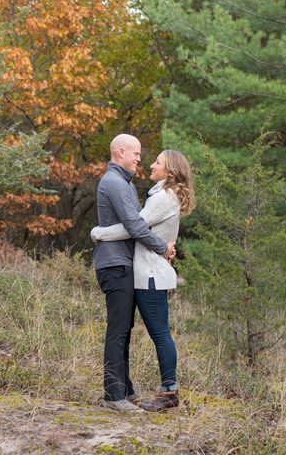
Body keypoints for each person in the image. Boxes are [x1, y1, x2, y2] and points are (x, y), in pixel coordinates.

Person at [92, 149, 195, 412]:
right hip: (146, 274)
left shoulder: (163, 197)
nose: (150, 164)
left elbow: (134, 227)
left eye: (157, 162)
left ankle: (169, 391)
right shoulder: (160, 196)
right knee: (154, 333)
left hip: (150, 275)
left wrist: (99, 232)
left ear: (170, 171)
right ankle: (147, 389)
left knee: (160, 334)